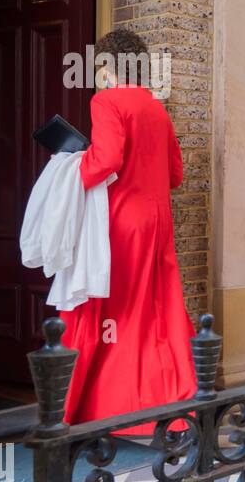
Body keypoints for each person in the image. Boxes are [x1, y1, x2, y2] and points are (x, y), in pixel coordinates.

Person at [58, 29, 196, 434]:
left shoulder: (106, 101)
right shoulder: (156, 109)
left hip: (120, 222)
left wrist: (65, 171)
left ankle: (107, 407)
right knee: (155, 311)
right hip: (157, 221)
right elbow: (175, 174)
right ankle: (161, 405)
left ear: (106, 66)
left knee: (113, 311)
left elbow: (105, 162)